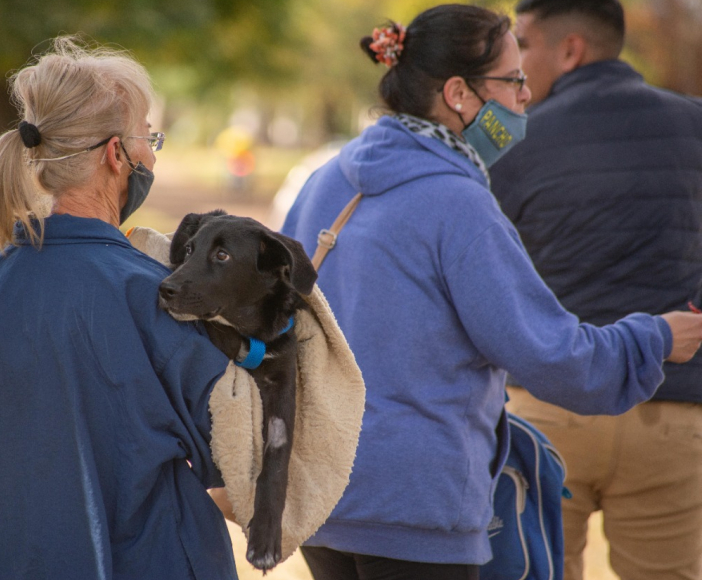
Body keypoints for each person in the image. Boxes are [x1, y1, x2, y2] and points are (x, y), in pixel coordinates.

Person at [279, 5, 702, 580]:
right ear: (459, 92)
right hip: (418, 508)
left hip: (322, 493)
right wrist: (655, 337)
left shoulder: (328, 178)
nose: (526, 97)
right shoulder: (458, 202)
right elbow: (550, 355)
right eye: (513, 79)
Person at [0, 37, 238, 580]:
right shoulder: (154, 293)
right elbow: (242, 458)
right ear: (116, 155)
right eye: (148, 136)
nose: (151, 152)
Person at [489, 1, 702, 579]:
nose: (516, 65)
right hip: (674, 404)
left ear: (571, 49)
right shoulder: (695, 124)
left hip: (549, 406)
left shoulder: (512, 142)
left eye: (524, 46)